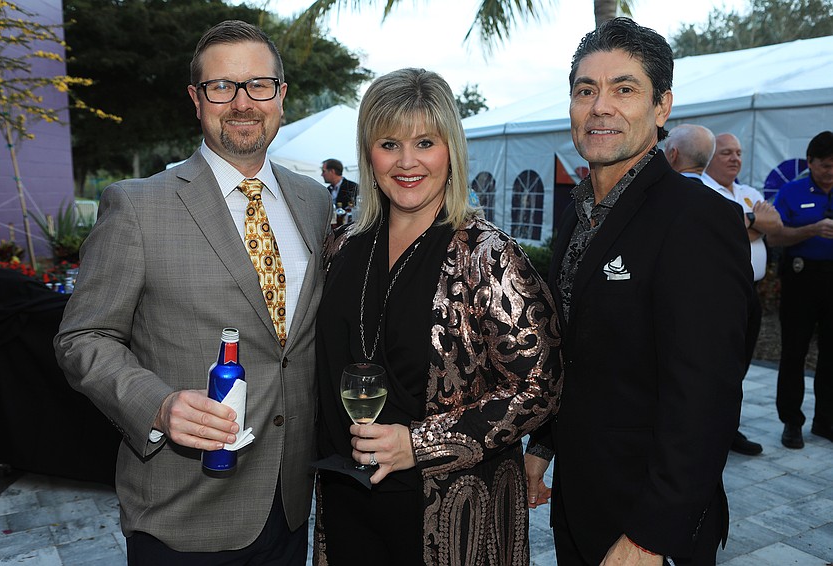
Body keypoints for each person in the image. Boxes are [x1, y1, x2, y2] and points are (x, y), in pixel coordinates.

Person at [54, 20, 332, 564]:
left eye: (259, 85)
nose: (242, 102)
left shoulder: (314, 202)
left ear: (281, 96)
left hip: (291, 501)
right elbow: (82, 337)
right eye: (221, 86)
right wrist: (157, 406)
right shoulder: (137, 207)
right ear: (196, 98)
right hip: (182, 515)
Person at [313, 68, 563, 566]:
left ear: (450, 150)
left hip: (448, 515)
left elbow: (542, 385)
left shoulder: (486, 256)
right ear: (369, 153)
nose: (407, 162)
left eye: (425, 142)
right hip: (346, 500)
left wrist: (420, 444)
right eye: (389, 144)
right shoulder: (342, 244)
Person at [525, 18, 752, 565]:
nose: (600, 106)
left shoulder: (697, 219)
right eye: (586, 90)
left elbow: (707, 398)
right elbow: (579, 351)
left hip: (648, 525)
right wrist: (544, 444)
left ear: (662, 107)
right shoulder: (579, 212)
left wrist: (653, 534)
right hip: (579, 503)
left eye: (624, 89)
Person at [702, 132, 783, 456]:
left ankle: (728, 427)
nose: (735, 158)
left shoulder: (748, 192)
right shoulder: (702, 190)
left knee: (741, 364)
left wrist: (754, 225)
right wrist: (754, 223)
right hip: (718, 295)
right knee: (718, 364)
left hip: (751, 292)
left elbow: (775, 225)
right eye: (726, 153)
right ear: (709, 157)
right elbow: (723, 234)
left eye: (738, 153)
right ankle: (709, 428)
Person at [767, 130, 833, 449]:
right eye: (825, 165)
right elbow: (775, 238)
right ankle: (791, 421)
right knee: (795, 351)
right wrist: (811, 230)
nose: (830, 172)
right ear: (810, 162)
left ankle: (826, 420)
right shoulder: (791, 192)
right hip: (801, 277)